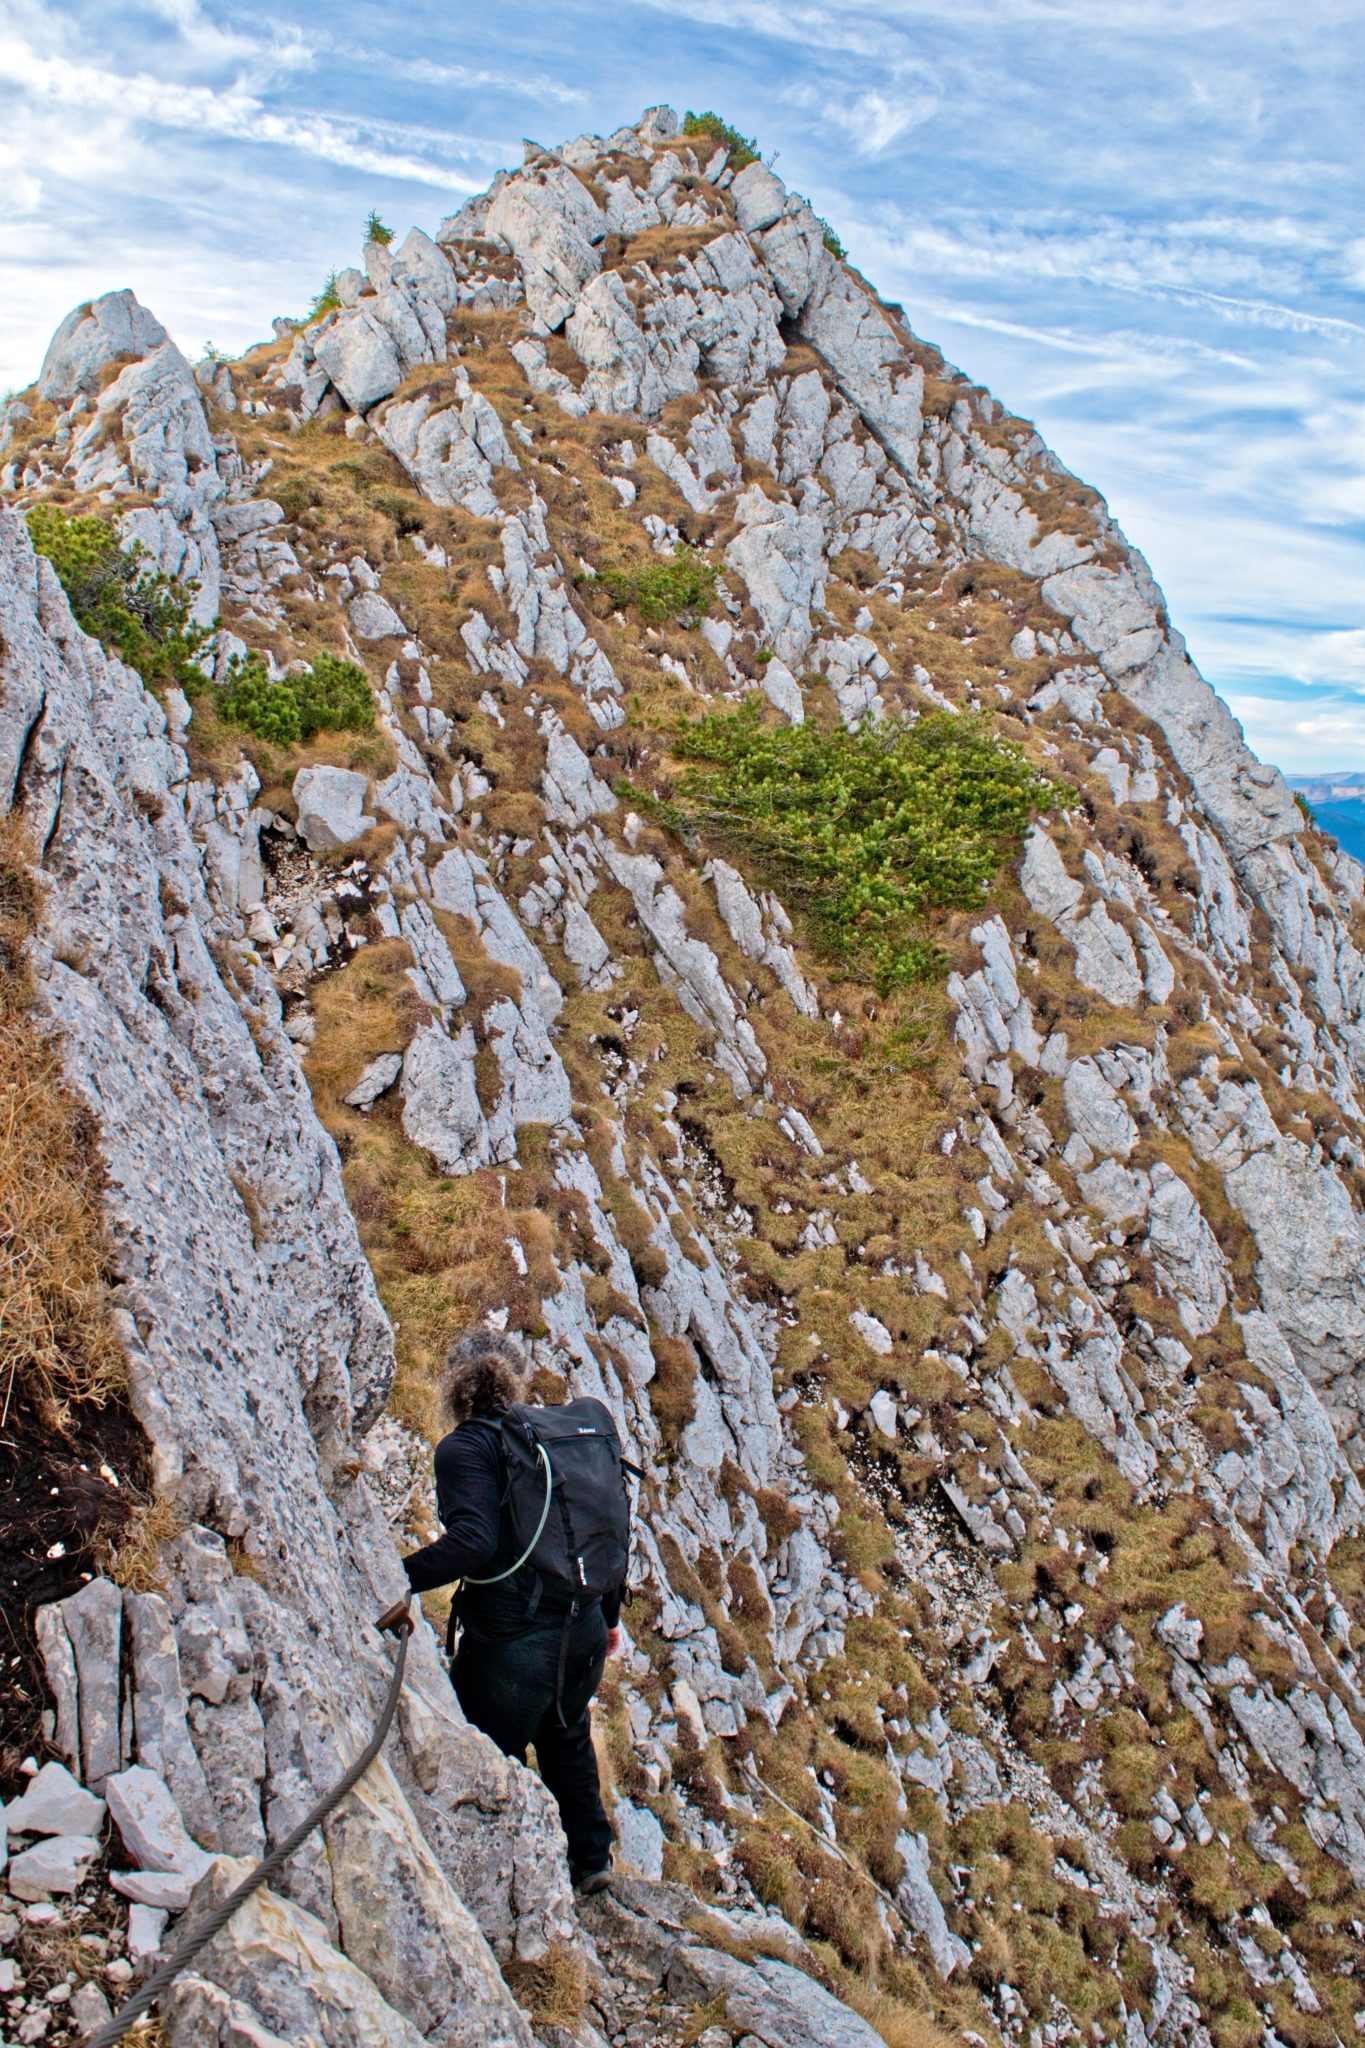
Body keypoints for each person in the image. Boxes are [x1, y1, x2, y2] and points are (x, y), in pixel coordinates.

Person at [401, 1327, 623, 1893]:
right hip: (587, 1628)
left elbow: (473, 1542)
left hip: (514, 1646)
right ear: (514, 1378)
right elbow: (604, 1530)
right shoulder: (548, 1441)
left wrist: (396, 1575)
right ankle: (591, 1862)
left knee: (481, 1752)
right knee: (567, 1732)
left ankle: (501, 1884)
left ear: (453, 1387)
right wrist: (611, 1618)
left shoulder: (466, 1447)